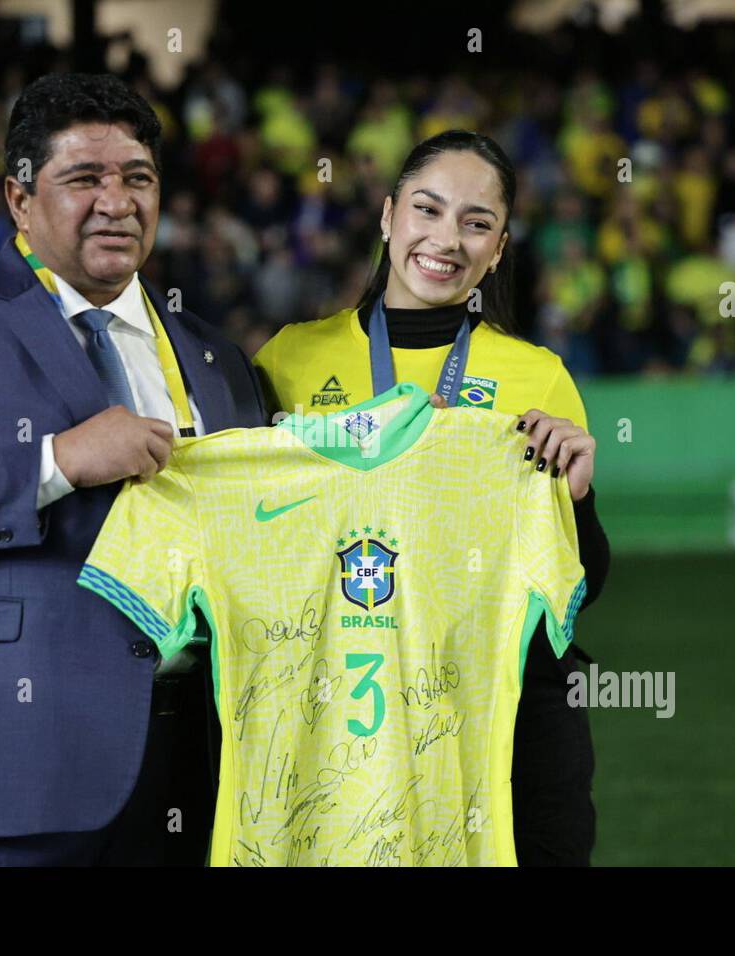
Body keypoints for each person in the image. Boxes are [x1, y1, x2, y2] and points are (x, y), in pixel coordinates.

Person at [0, 73, 265, 866]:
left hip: (191, 778)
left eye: (138, 178)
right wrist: (58, 460)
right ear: (19, 198)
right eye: (84, 179)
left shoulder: (216, 356)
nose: (117, 200)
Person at [254, 130, 611, 865]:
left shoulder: (536, 376)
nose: (446, 239)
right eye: (428, 209)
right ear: (388, 217)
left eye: (476, 223)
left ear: (500, 247)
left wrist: (575, 500)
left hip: (505, 716)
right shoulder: (288, 361)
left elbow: (581, 586)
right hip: (343, 710)